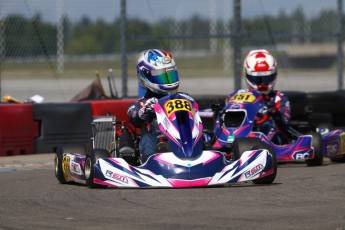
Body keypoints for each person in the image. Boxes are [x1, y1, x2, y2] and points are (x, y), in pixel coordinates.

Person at [227, 49, 291, 145]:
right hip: (242, 133)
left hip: (274, 137)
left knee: (267, 126)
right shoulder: (235, 97)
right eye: (257, 79)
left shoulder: (279, 98)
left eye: (266, 79)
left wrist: (274, 113)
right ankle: (226, 145)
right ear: (247, 76)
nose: (261, 84)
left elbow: (285, 124)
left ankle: (263, 146)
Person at [127, 49, 180, 163]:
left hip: (180, 139)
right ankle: (155, 158)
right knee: (148, 136)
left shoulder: (179, 99)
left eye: (170, 74)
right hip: (156, 141)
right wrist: (144, 111)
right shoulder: (141, 104)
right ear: (146, 75)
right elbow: (134, 117)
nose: (168, 80)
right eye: (162, 76)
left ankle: (203, 150)